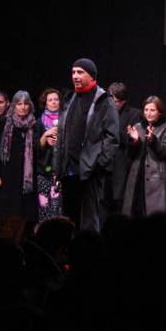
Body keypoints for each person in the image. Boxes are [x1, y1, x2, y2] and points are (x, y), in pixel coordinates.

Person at [45, 59, 119, 232]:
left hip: (89, 170)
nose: (75, 76)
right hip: (68, 170)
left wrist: (99, 163)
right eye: (73, 72)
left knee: (88, 221)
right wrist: (57, 168)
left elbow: (112, 137)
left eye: (80, 72)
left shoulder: (104, 100)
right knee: (68, 220)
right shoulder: (70, 98)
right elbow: (62, 135)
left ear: (91, 75)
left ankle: (89, 256)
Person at [0, 90, 44, 241]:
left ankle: (21, 244)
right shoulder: (4, 124)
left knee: (25, 215)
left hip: (27, 177)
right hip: (7, 175)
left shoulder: (34, 124)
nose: (23, 107)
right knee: (7, 215)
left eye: (26, 104)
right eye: (19, 104)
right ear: (13, 106)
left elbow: (37, 149)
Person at [123, 96, 166, 217]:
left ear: (159, 112)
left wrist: (153, 141)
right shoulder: (138, 126)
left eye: (152, 110)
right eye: (146, 110)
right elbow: (130, 154)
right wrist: (134, 141)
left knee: (152, 217)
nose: (148, 113)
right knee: (134, 214)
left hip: (156, 178)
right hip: (137, 176)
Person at [108, 82, 143, 215]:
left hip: (122, 168)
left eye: (115, 102)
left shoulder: (135, 114)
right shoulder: (103, 113)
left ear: (123, 101)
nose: (112, 105)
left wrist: (113, 133)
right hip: (105, 167)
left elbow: (132, 142)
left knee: (121, 207)